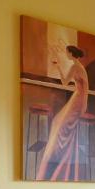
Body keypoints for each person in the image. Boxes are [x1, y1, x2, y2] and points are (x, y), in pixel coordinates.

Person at [35, 43, 90, 181]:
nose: (66, 54)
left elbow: (65, 83)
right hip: (78, 98)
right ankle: (55, 157)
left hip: (78, 99)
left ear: (71, 54)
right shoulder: (79, 67)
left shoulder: (76, 67)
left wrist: (58, 66)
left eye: (67, 53)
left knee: (60, 125)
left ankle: (56, 158)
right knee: (57, 122)